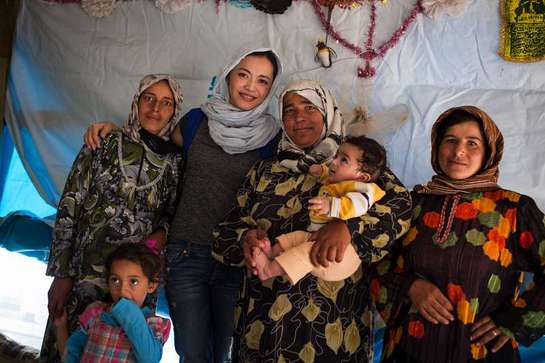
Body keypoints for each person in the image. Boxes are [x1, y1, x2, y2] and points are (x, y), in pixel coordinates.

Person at [83, 48, 283, 362]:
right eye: (243, 74)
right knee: (192, 352)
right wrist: (113, 130)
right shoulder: (196, 121)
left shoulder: (273, 138)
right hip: (187, 253)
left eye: (262, 80)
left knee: (226, 354)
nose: (250, 87)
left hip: (236, 259)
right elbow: (152, 140)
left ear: (270, 89)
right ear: (228, 76)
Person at [213, 79, 412, 362]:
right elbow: (226, 230)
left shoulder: (356, 164)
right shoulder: (265, 171)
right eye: (289, 110)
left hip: (332, 323)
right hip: (264, 325)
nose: (299, 118)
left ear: (328, 111)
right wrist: (246, 238)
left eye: (310, 107)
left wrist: (347, 227)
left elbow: (401, 208)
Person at [371, 105, 545, 362]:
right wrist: (410, 286)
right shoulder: (410, 203)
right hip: (409, 350)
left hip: (481, 353)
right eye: (450, 140)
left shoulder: (515, 209)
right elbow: (374, 261)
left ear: (489, 151)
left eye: (472, 143)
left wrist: (513, 321)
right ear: (436, 147)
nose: (459, 151)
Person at [41, 74, 183, 362]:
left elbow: (174, 213)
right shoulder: (105, 141)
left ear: (174, 112)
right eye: (149, 98)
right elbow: (71, 204)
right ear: (136, 101)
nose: (156, 109)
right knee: (66, 347)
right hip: (84, 275)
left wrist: (161, 234)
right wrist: (62, 273)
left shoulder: (174, 162)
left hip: (136, 283)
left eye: (166, 103)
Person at [252, 135, 387, 284]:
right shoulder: (337, 181)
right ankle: (272, 253)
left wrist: (332, 206)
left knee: (305, 252)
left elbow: (359, 204)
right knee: (296, 238)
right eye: (336, 156)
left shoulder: (362, 188)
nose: (334, 162)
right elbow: (329, 176)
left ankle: (268, 270)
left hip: (340, 254)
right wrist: (321, 170)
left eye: (344, 160)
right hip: (316, 237)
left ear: (362, 177)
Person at [54, 243, 170, 363]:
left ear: (151, 285)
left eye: (133, 281)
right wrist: (60, 327)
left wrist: (126, 309)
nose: (122, 290)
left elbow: (150, 358)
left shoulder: (155, 324)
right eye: (115, 280)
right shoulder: (95, 312)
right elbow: (71, 353)